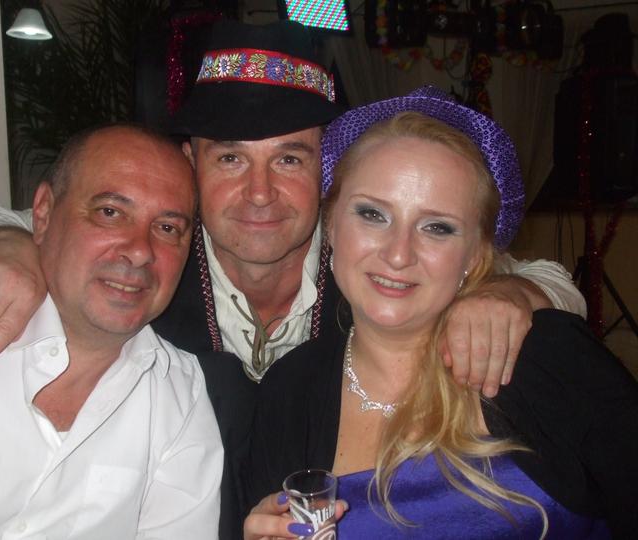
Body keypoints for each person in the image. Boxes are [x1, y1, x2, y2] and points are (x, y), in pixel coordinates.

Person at [0, 21, 584, 539]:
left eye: (290, 159)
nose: (259, 193)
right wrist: (12, 247)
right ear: (190, 164)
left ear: (327, 172)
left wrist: (506, 294)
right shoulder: (151, 255)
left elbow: (549, 280)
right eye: (230, 158)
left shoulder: (369, 261)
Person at [244, 88, 638, 540]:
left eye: (437, 227)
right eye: (372, 214)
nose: (398, 254)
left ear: (476, 254)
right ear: (330, 224)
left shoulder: (546, 357)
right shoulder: (289, 390)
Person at [0, 125, 223, 539]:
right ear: (42, 214)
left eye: (168, 228)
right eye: (110, 213)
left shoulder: (178, 394)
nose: (139, 250)